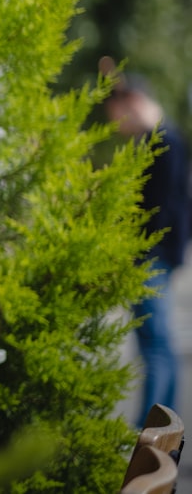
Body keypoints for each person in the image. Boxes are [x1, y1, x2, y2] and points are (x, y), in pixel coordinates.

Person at [104, 68, 189, 423]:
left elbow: (159, 211)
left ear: (133, 102)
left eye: (116, 114)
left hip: (150, 257)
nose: (116, 124)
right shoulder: (167, 138)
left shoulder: (161, 141)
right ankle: (163, 436)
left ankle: (147, 437)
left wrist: (136, 254)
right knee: (160, 346)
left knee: (155, 347)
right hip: (159, 256)